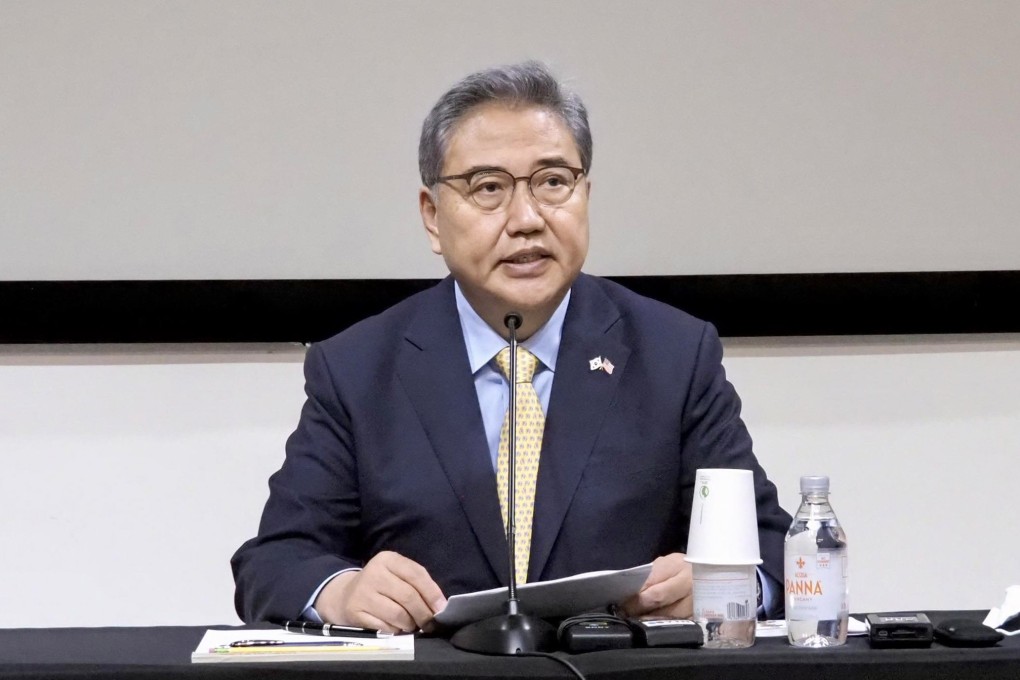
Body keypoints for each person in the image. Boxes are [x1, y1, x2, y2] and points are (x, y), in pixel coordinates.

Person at [231, 61, 791, 634]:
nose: (527, 219)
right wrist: (343, 593)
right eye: (488, 188)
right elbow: (274, 563)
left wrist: (724, 582)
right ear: (432, 217)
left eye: (552, 182)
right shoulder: (358, 369)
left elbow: (776, 549)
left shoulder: (673, 354)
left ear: (586, 196)